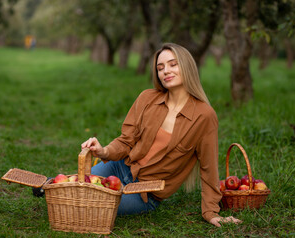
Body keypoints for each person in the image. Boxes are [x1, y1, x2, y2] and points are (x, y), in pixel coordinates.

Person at [81, 43, 242, 227]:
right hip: (119, 168)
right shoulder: (147, 98)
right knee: (73, 189)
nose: (166, 71)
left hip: (145, 193)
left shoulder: (204, 116)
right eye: (160, 67)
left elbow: (208, 167)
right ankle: (43, 187)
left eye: (173, 64)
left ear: (187, 67)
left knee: (91, 204)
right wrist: (104, 151)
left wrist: (210, 212)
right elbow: (126, 141)